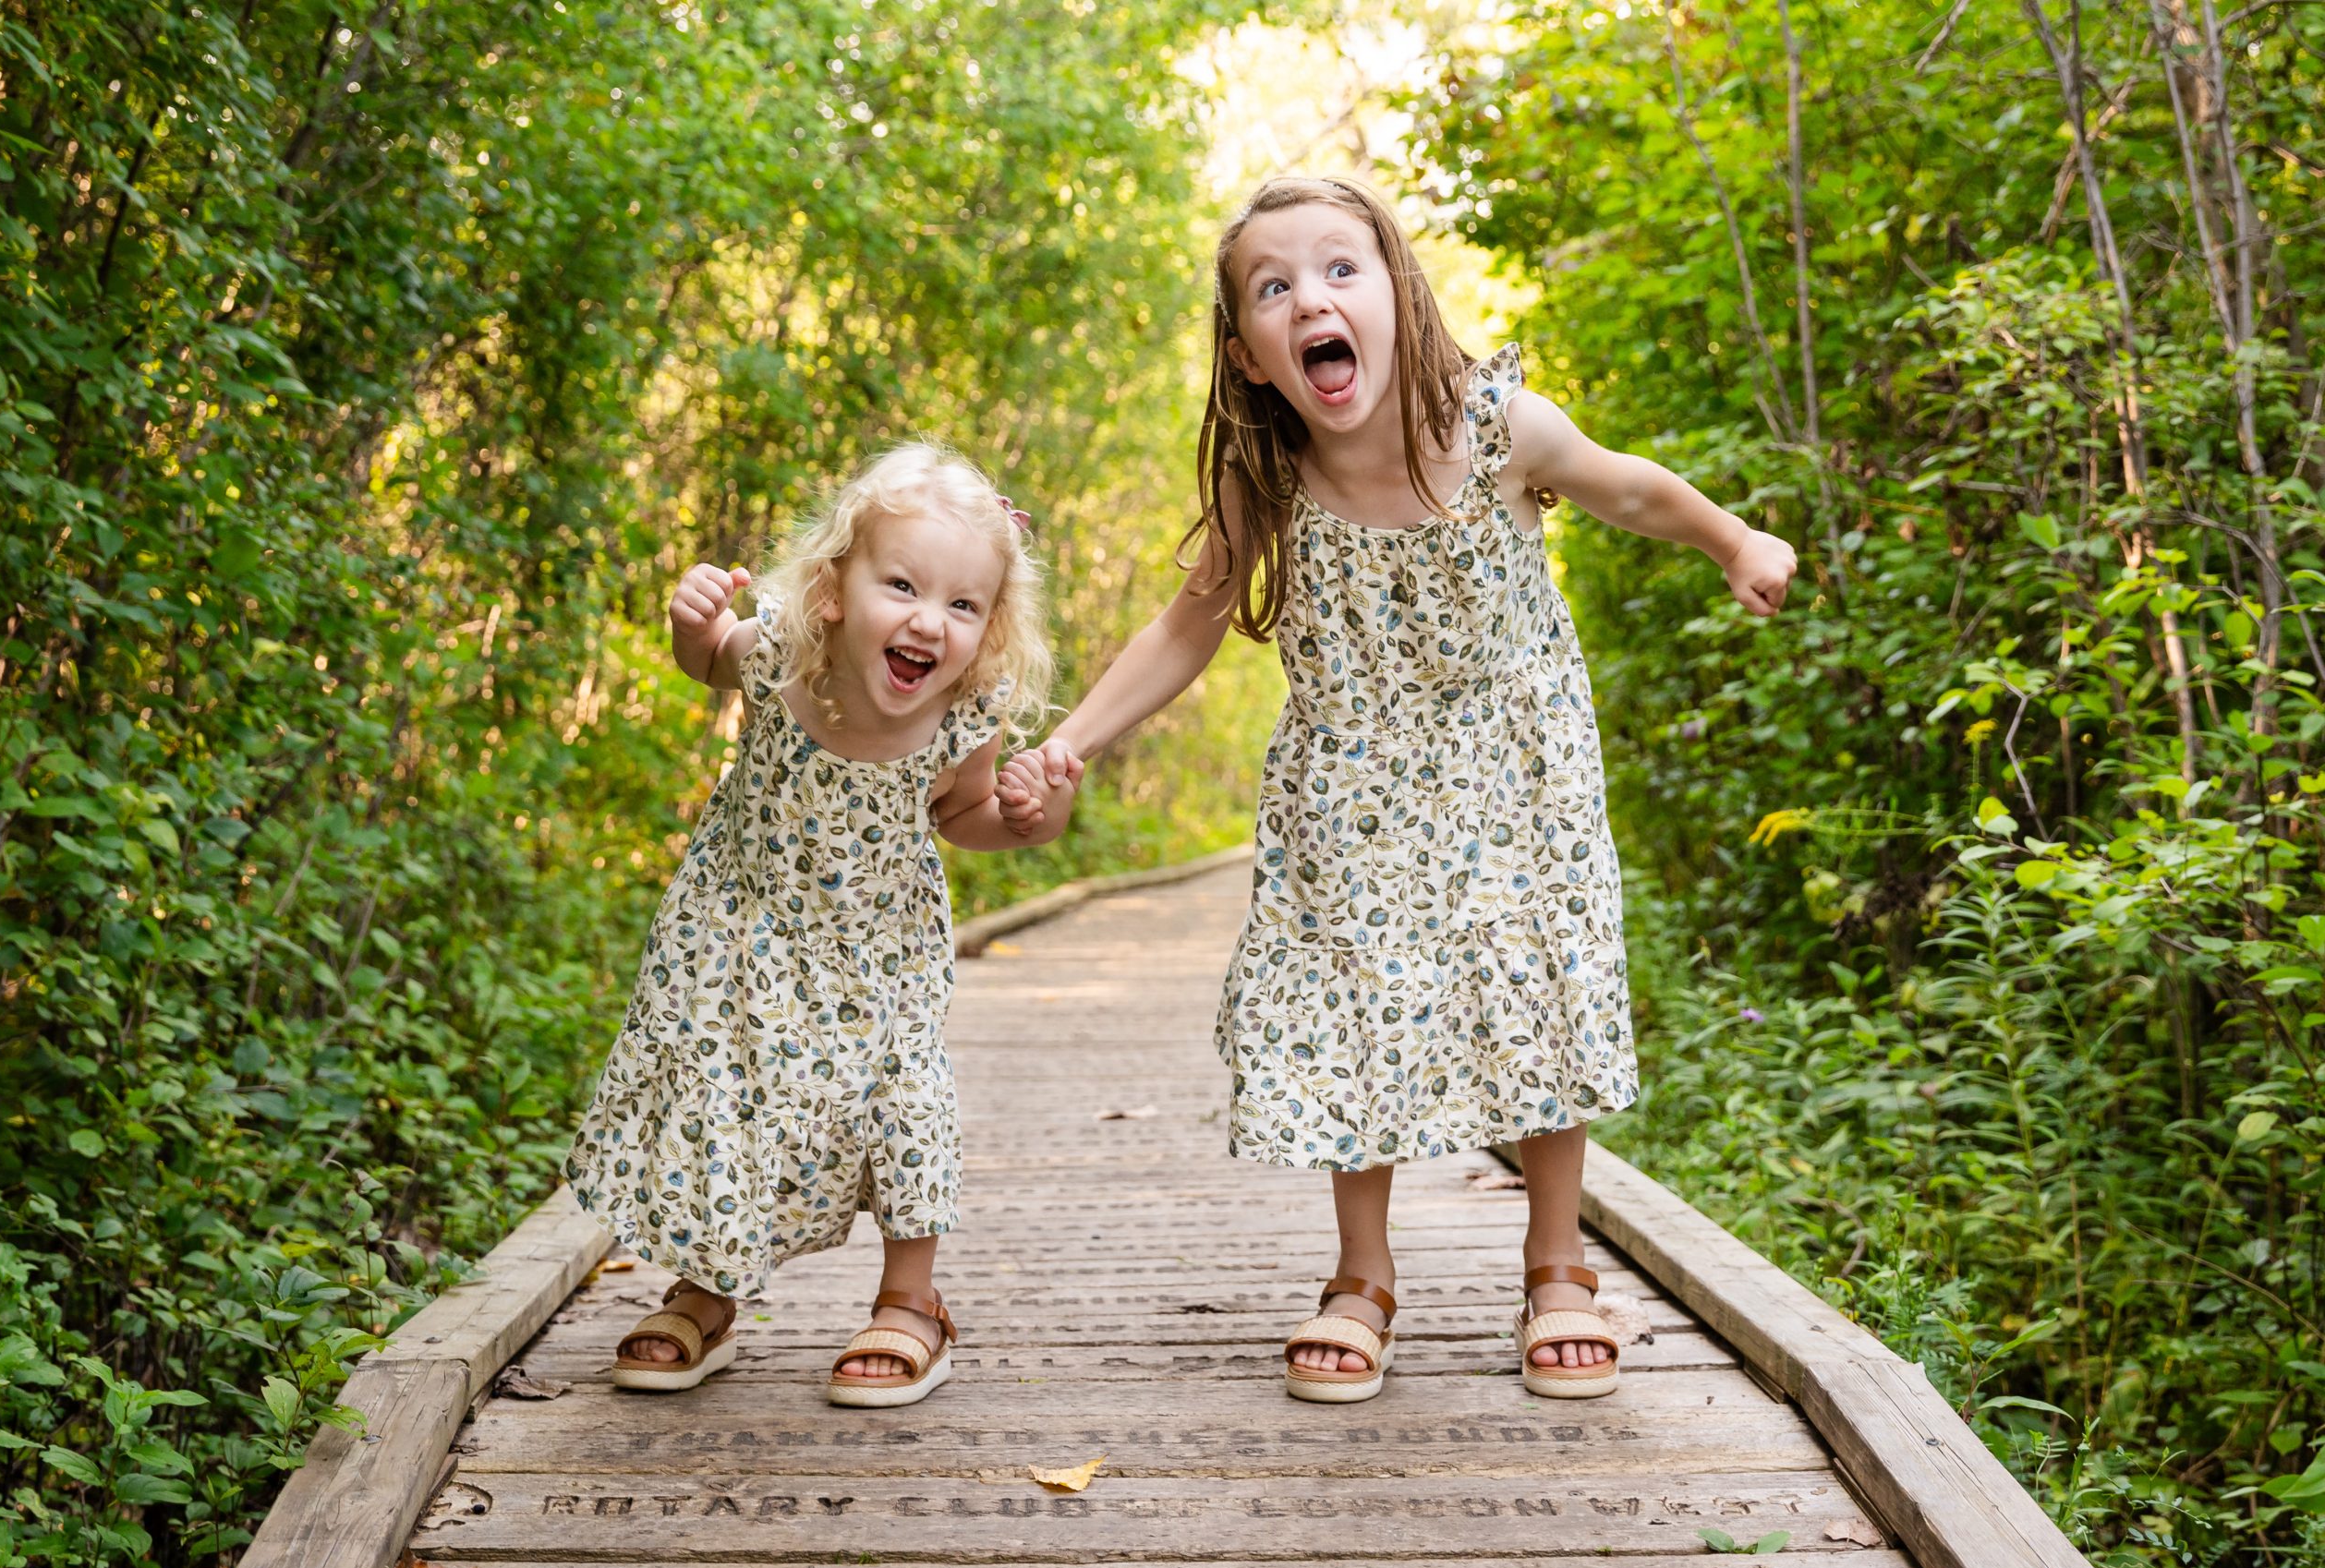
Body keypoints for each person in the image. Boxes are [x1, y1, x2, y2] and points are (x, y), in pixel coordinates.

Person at [999, 176, 1795, 1402]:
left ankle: (1557, 1264)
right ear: (1251, 356)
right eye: (1275, 289)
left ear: (1397, 294)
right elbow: (1189, 623)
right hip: (1350, 777)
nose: (1311, 297)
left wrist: (1734, 541)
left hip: (1518, 762)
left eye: (1339, 270)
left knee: (1538, 982)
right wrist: (1076, 740)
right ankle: (1362, 1275)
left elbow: (1627, 484)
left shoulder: (1498, 429)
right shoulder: (1269, 482)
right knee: (1348, 1003)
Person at [566, 441, 1073, 1406]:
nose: (930, 621)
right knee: (727, 1096)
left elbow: (960, 815)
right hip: (738, 926)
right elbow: (703, 659)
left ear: (989, 629)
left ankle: (911, 1301)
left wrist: (1029, 815)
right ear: (835, 589)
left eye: (963, 606)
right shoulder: (777, 655)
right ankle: (707, 1291)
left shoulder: (967, 715)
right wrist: (692, 622)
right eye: (903, 587)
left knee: (903, 1100)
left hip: (879, 949)